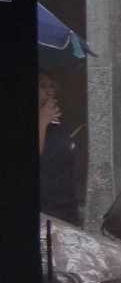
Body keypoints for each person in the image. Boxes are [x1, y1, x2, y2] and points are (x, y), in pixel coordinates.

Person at [37, 72, 82, 224]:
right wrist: (42, 120)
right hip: (44, 210)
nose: (50, 91)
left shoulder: (62, 127)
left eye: (51, 86)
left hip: (67, 210)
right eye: (42, 86)